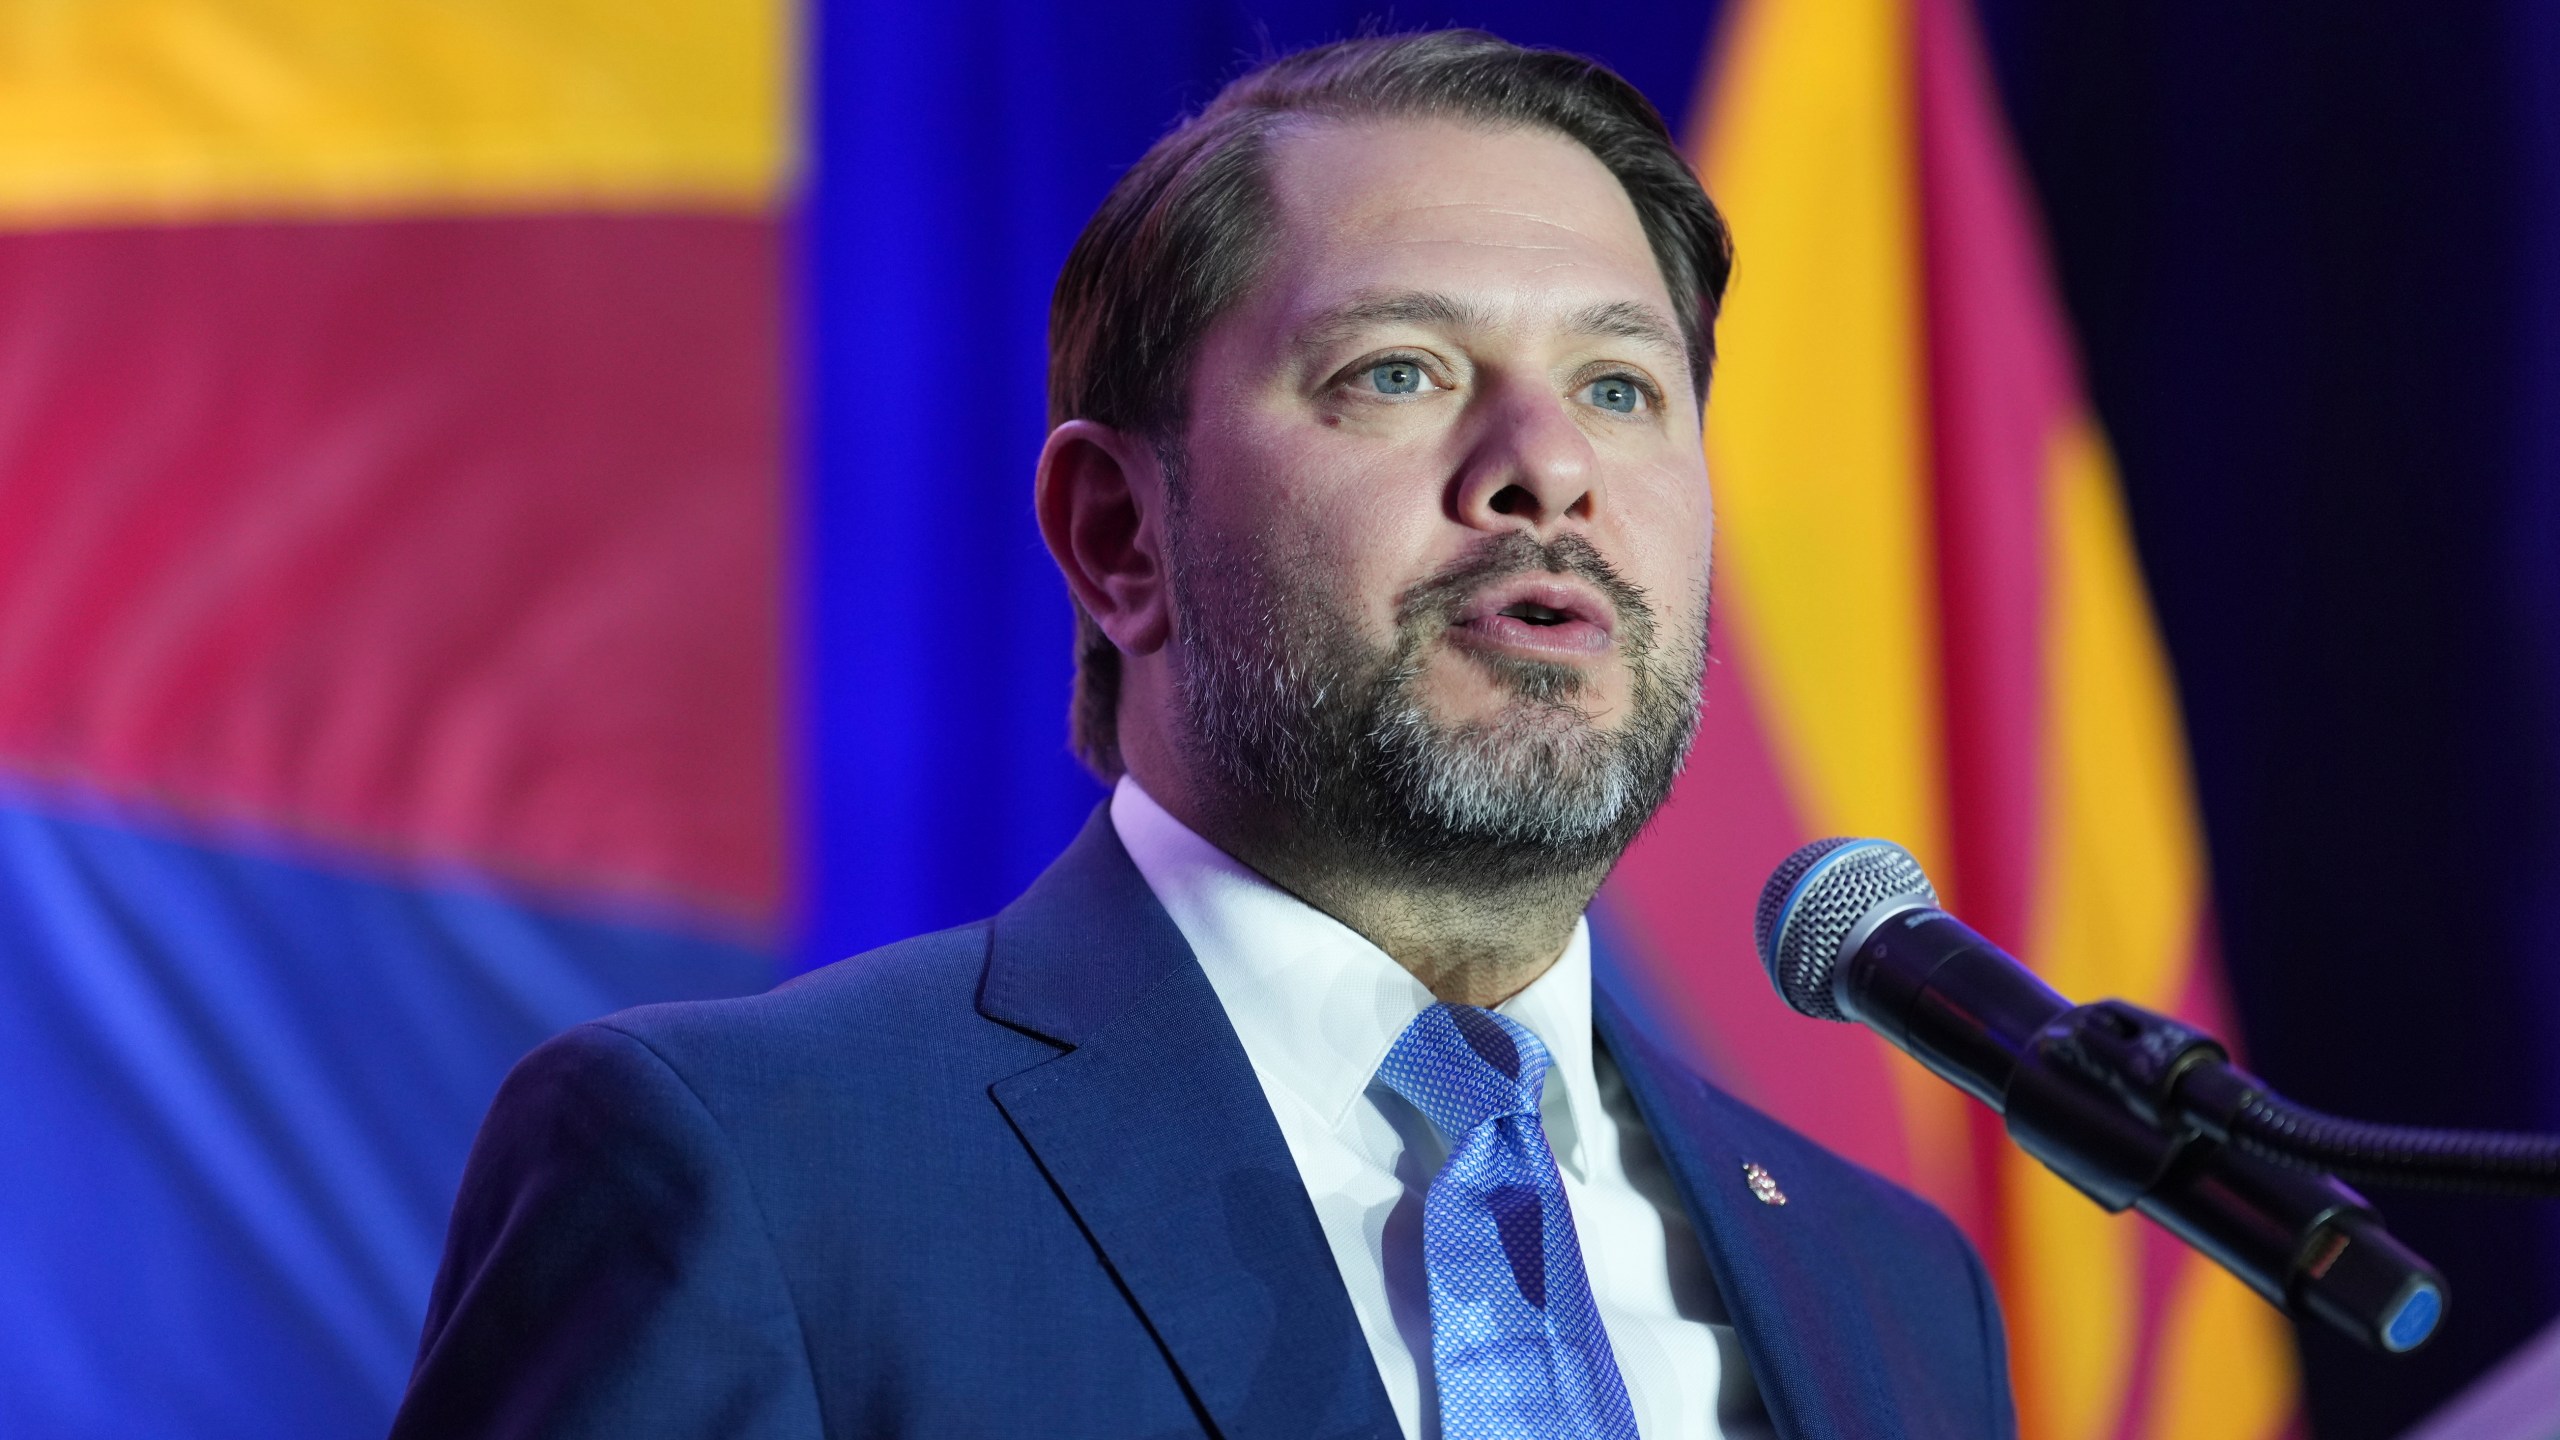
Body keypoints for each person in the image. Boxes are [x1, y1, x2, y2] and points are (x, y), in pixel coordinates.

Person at [390, 30, 2015, 1440]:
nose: (1548, 469)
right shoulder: (758, 1171)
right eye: (1400, 371)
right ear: (1119, 536)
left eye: (1620, 388)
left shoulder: (1888, 1285)